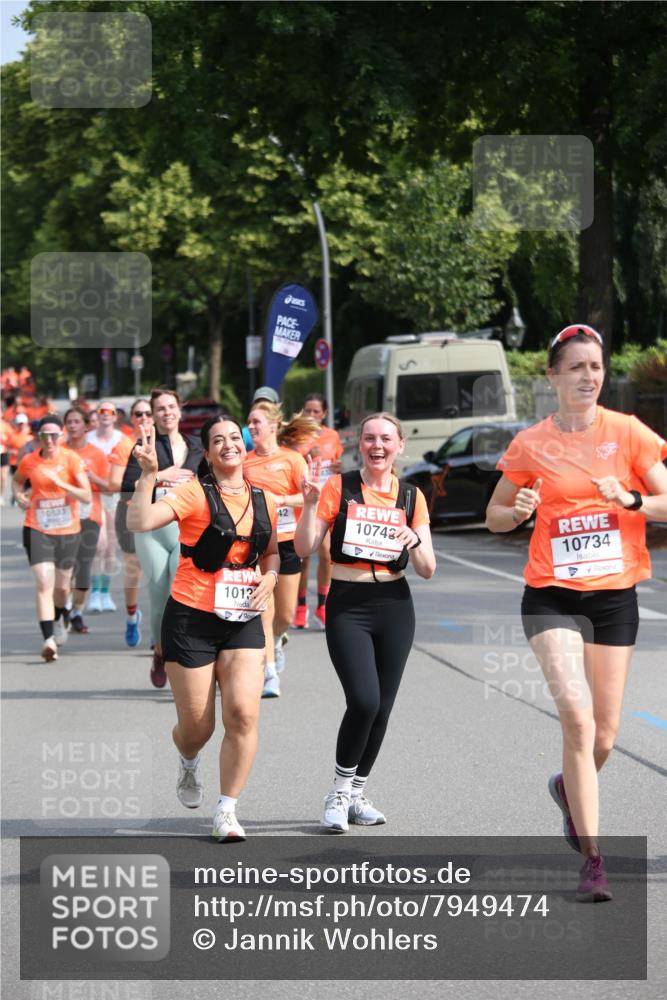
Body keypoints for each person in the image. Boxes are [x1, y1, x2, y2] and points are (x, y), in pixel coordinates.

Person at [486, 324, 667, 902]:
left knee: (606, 734)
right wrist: (516, 509)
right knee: (578, 720)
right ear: (554, 377)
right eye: (577, 368)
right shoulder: (532, 443)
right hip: (551, 596)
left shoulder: (629, 433)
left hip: (614, 597)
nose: (589, 376)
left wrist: (633, 499)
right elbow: (494, 516)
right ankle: (594, 858)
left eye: (596, 367)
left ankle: (569, 787)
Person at [127, 416, 279, 841]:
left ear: (243, 447)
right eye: (218, 440)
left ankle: (227, 810)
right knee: (198, 728)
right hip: (192, 617)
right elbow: (139, 522)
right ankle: (188, 758)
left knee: (244, 713)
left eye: (235, 437)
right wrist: (148, 476)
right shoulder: (193, 492)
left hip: (242, 616)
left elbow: (270, 553)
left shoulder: (264, 498)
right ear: (208, 455)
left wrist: (269, 576)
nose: (229, 444)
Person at [294, 412, 436, 832]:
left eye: (386, 439)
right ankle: (338, 792)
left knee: (384, 708)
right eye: (370, 438)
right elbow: (304, 546)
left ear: (399, 445)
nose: (377, 446)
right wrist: (308, 505)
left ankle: (357, 794)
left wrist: (415, 542)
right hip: (348, 602)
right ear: (359, 443)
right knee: (364, 700)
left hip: (394, 603)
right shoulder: (341, 486)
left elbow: (428, 568)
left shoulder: (411, 496)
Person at [121, 388, 203, 686]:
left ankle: (180, 655)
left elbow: (212, 481)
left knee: (177, 592)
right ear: (153, 416)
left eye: (171, 407)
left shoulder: (197, 446)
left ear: (180, 410)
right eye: (160, 409)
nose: (166, 412)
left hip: (187, 529)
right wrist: (160, 474)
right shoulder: (143, 446)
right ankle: (159, 650)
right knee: (158, 598)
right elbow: (127, 487)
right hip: (153, 530)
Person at [243, 401, 317, 697]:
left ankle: (275, 640)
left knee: (285, 614)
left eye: (256, 422)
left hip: (287, 540)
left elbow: (310, 497)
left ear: (273, 426)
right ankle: (269, 672)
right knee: (264, 606)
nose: (251, 427)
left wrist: (281, 500)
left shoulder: (292, 459)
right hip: (256, 543)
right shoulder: (244, 462)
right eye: (248, 422)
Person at [12, 414, 92, 661]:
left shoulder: (71, 459)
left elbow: (86, 495)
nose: (49, 440)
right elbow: (17, 482)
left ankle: (60, 616)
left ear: (62, 436)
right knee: (44, 585)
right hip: (37, 528)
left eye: (54, 435)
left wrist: (62, 484)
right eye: (44, 435)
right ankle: (48, 640)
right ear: (39, 437)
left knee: (61, 587)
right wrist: (19, 496)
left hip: (68, 531)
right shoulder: (29, 461)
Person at [293, 393, 344, 630]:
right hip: (303, 502)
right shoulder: (297, 435)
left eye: (316, 411)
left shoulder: (332, 436)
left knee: (327, 555)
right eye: (307, 410)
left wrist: (338, 466)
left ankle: (322, 606)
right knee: (303, 558)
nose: (311, 415)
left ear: (324, 414)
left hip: (327, 501)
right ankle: (300, 606)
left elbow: (338, 463)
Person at [108, 399, 154, 647]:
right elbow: (115, 483)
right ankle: (131, 615)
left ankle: (158, 629)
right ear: (132, 418)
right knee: (134, 570)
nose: (144, 417)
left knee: (161, 572)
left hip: (160, 514)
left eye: (149, 412)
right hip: (129, 512)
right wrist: (146, 481)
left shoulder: (165, 443)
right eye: (139, 413)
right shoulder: (124, 445)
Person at [63, 408, 110, 633]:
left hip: (90, 515)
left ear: (86, 426)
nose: (73, 426)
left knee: (83, 571)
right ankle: (65, 609)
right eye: (69, 422)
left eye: (77, 422)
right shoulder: (58, 452)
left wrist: (91, 477)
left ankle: (76, 612)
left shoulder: (97, 454)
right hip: (63, 517)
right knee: (65, 569)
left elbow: (109, 488)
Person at [85, 401, 123, 612]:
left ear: (115, 416)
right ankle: (95, 593)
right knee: (97, 546)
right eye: (102, 411)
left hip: (115, 498)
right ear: (97, 416)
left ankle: (105, 593)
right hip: (93, 497)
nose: (106, 415)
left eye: (110, 411)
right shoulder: (88, 440)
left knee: (110, 548)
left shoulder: (122, 440)